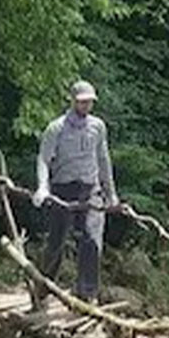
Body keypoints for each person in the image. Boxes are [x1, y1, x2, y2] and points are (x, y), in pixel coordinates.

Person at [32, 80, 119, 302]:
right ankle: (45, 285)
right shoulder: (56, 128)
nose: (85, 106)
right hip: (63, 188)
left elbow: (103, 159)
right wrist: (43, 186)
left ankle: (86, 292)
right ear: (73, 101)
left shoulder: (98, 126)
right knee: (56, 240)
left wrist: (111, 193)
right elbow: (44, 158)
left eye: (89, 102)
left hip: (91, 189)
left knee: (92, 237)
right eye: (81, 102)